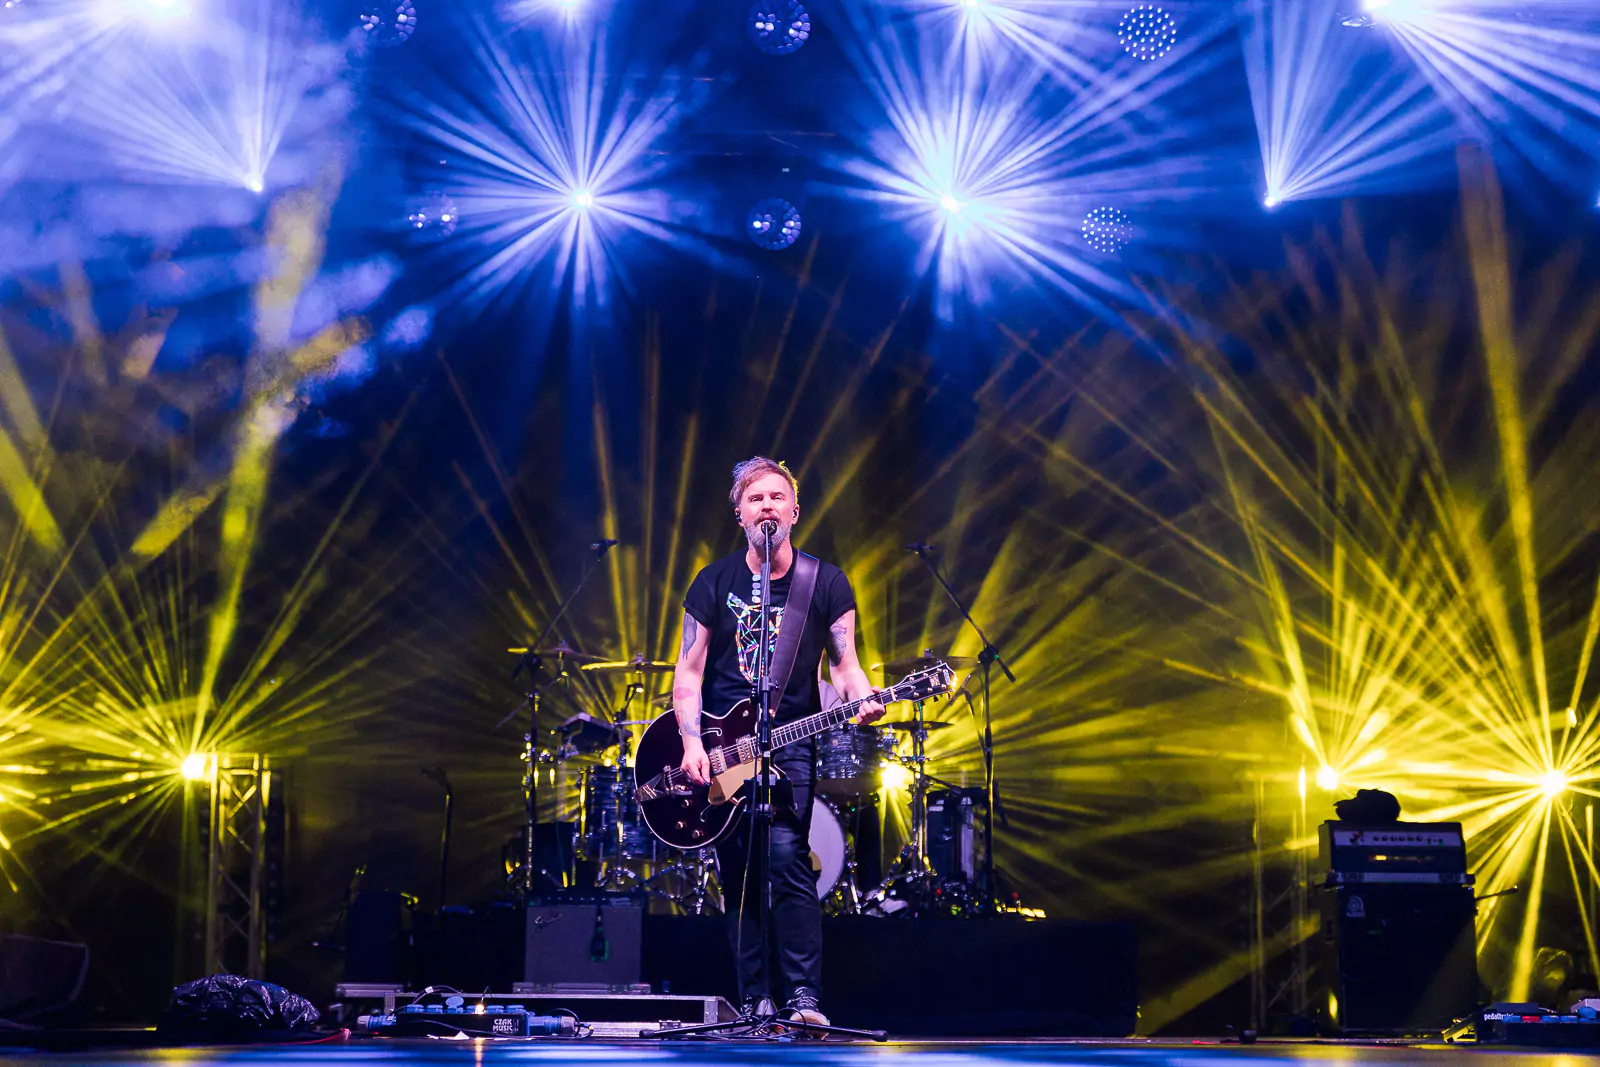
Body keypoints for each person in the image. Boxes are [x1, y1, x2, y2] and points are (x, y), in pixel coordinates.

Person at [671, 456, 885, 1028]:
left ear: (794, 511)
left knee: (789, 859)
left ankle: (803, 999)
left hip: (790, 740)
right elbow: (688, 670)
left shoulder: (826, 582)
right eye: (755, 498)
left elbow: (845, 666)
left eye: (776, 497)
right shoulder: (713, 581)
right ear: (740, 514)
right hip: (721, 743)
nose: (766, 506)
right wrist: (691, 742)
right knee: (739, 870)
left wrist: (863, 698)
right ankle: (754, 999)